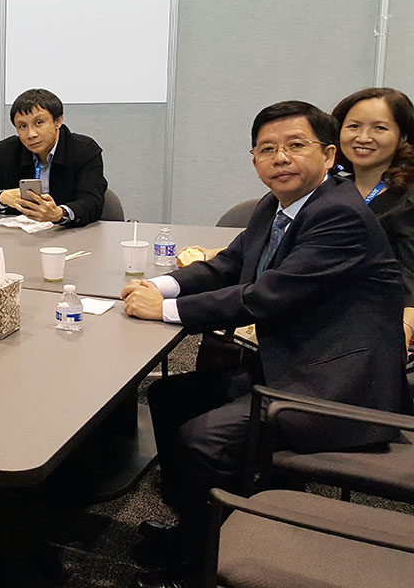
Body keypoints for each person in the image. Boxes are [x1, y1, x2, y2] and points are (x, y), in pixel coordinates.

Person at [120, 101, 408, 587]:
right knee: (168, 398)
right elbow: (227, 266)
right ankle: (195, 529)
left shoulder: (339, 214)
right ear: (254, 159)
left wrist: (166, 310)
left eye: (296, 145)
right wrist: (160, 286)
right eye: (267, 149)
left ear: (328, 154)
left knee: (203, 439)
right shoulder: (275, 206)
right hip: (292, 359)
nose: (281, 158)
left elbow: (265, 297)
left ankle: (201, 563)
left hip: (337, 386)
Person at [331, 87, 414, 375]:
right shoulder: (329, 189)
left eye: (379, 128)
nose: (363, 137)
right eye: (353, 126)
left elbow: (410, 273)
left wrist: (405, 327)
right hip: (324, 315)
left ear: (403, 137)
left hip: (381, 324)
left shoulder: (408, 200)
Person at [0, 88, 106, 226]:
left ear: (58, 121)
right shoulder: (6, 151)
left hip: (69, 233)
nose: (31, 134)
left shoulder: (84, 150)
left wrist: (59, 214)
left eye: (39, 123)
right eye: (23, 126)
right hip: (20, 235)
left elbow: (92, 202)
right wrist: (2, 197)